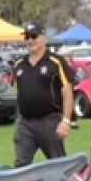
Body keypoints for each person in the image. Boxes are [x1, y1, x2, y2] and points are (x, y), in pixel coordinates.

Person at [11, 21, 75, 166]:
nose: (30, 40)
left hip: (50, 121)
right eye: (27, 37)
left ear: (44, 38)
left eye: (34, 36)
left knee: (58, 164)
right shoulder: (19, 64)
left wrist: (66, 121)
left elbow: (67, 92)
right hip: (25, 123)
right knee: (21, 165)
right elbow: (19, 92)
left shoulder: (56, 62)